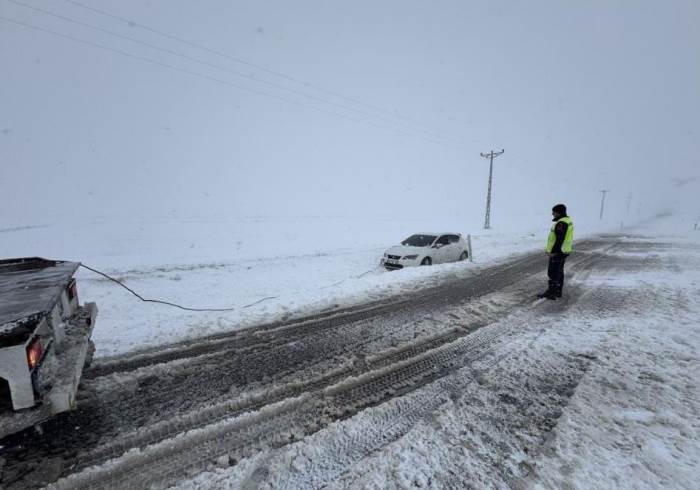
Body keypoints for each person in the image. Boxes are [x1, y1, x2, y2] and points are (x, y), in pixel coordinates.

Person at [537, 204, 574, 300]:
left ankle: (552, 292)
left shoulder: (561, 223)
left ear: (559, 212)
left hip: (559, 251)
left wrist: (554, 252)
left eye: (554, 212)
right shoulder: (567, 221)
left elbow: (559, 240)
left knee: (553, 272)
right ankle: (557, 291)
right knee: (559, 271)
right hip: (564, 250)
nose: (552, 214)